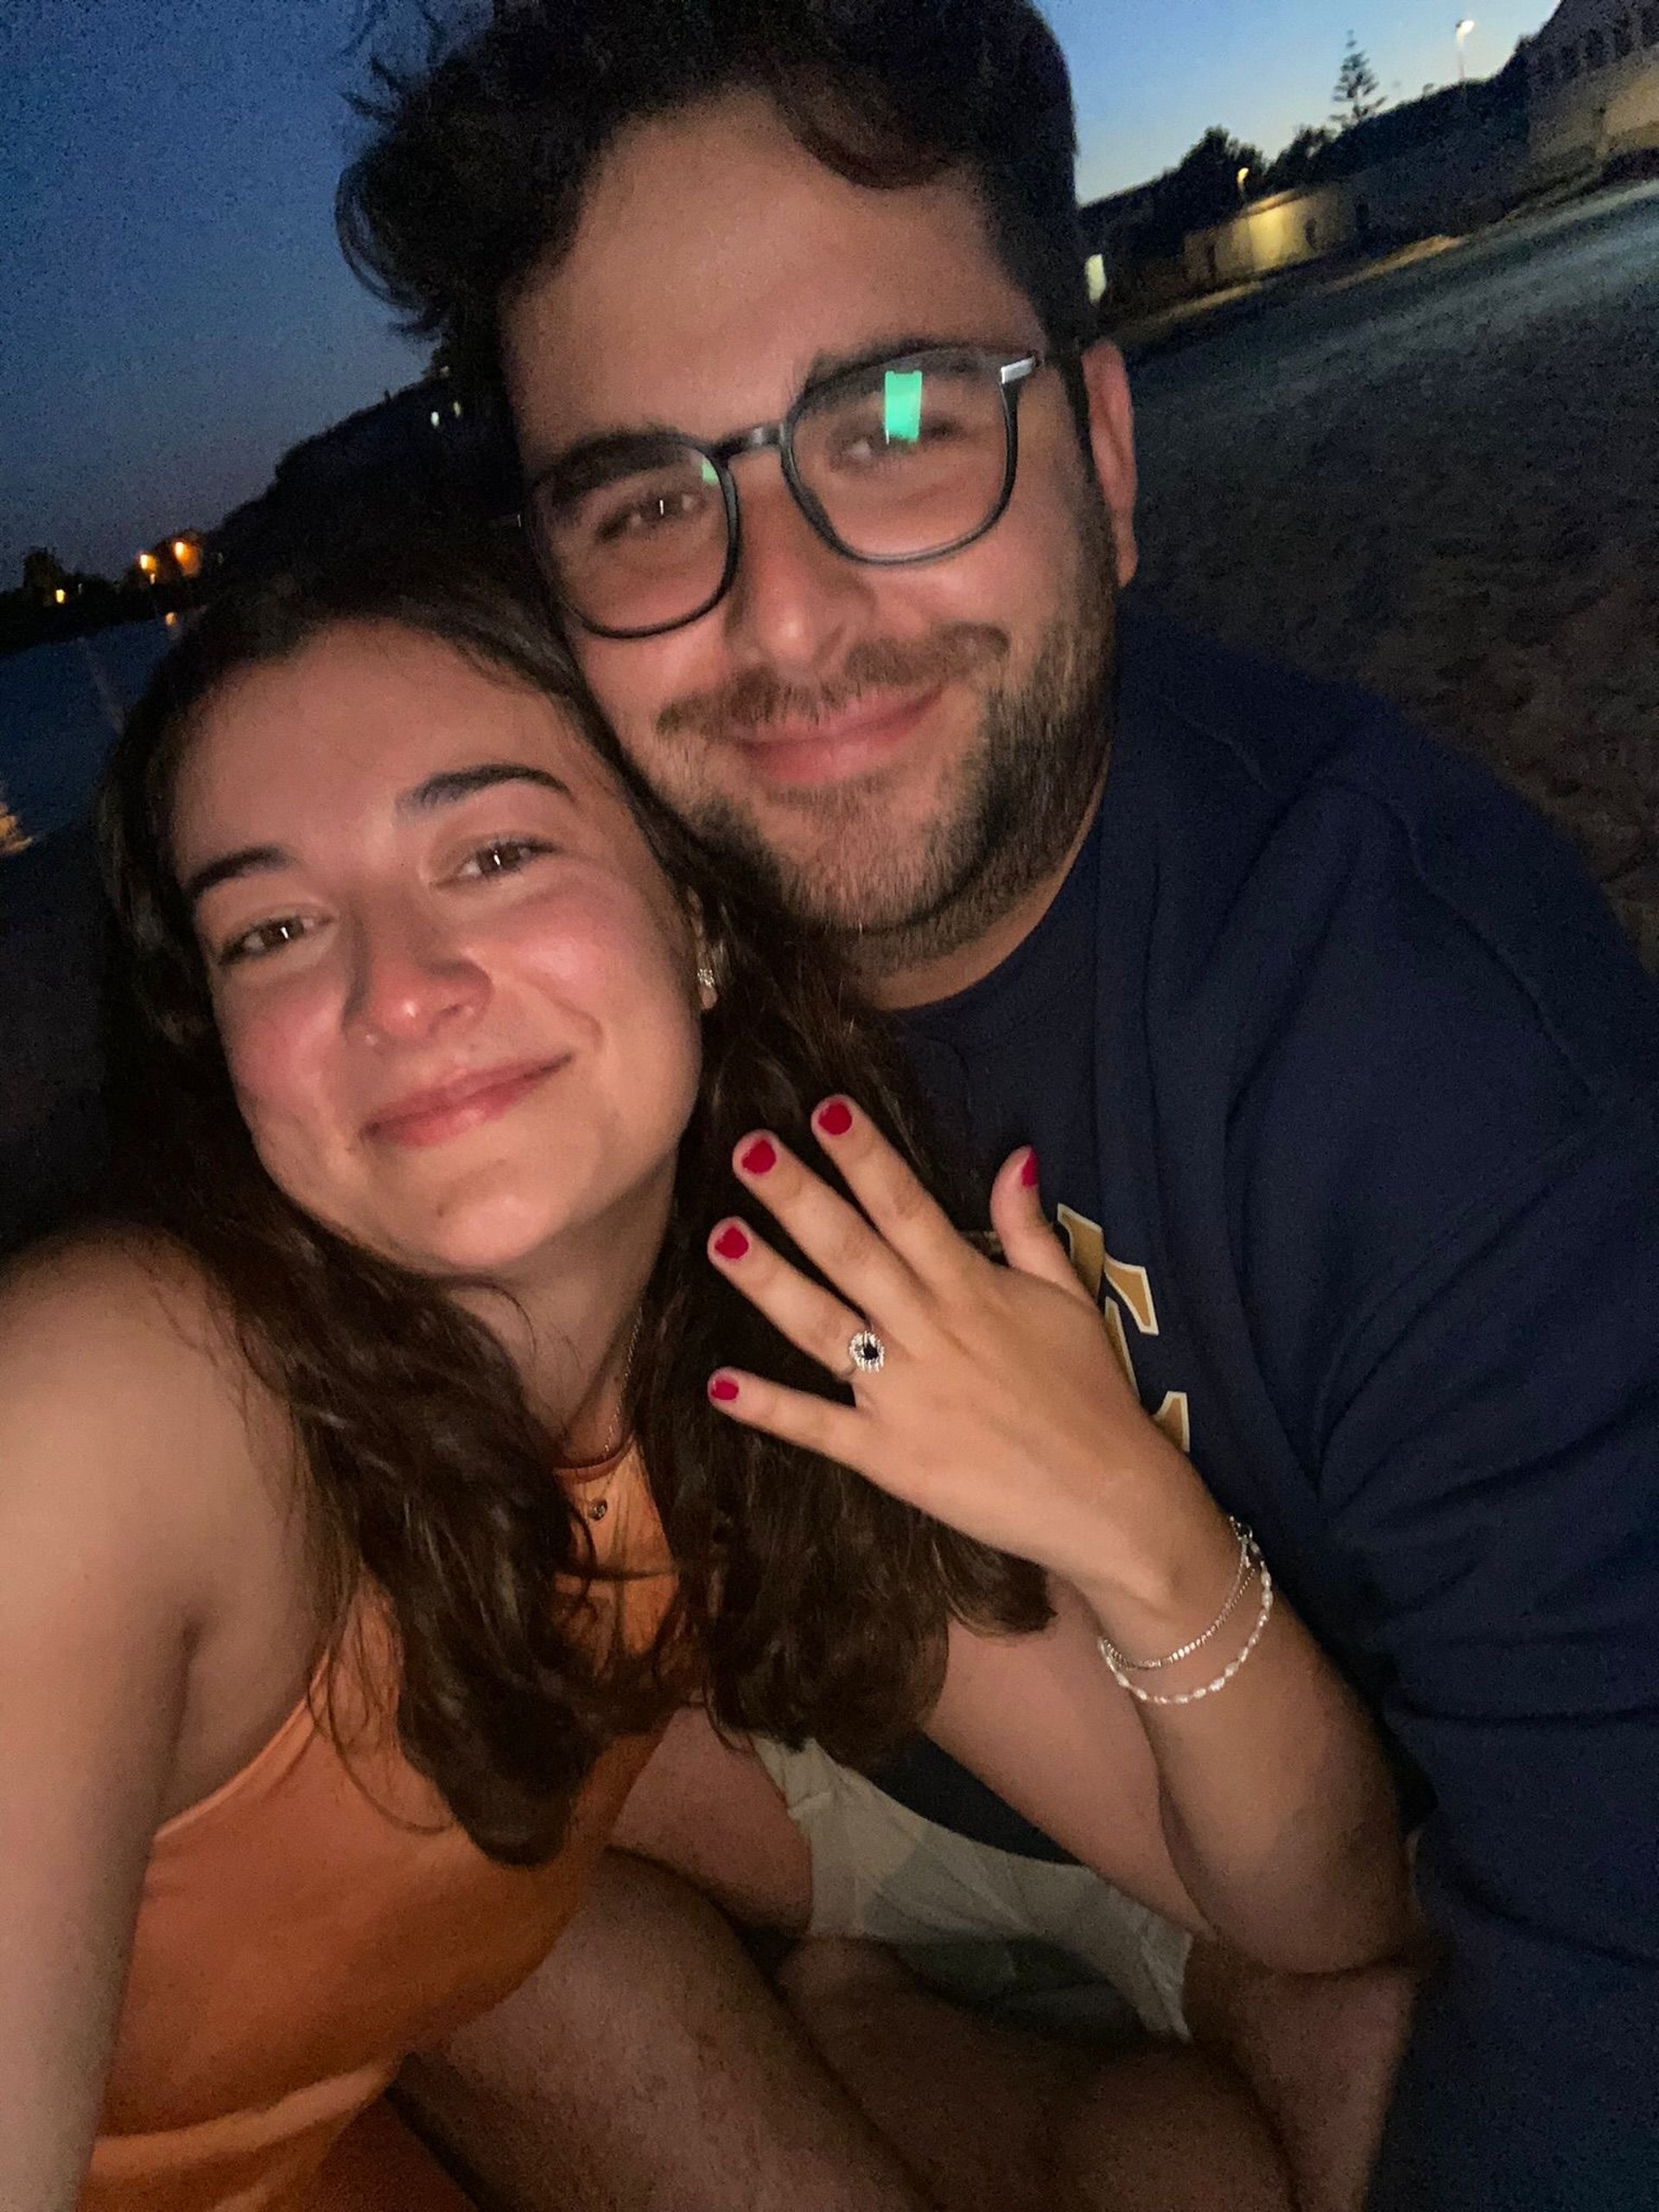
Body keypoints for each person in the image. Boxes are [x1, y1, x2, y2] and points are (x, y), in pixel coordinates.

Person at [339, 3, 1659, 2208]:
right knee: (374, 1867)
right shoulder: (588, 946)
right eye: (652, 500)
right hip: (837, 1777)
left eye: (896, 419)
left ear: (1111, 462)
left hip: (1307, 1876)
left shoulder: (1441, 1057)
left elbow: (1611, 1967)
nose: (783, 611)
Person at [1, 531, 1414, 2212]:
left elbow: (1314, 1908)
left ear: (699, 917)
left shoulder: (741, 1356)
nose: (396, 988)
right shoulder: (119, 1405)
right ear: (216, 1053)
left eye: (495, 848)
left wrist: (1136, 1521)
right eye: (276, 929)